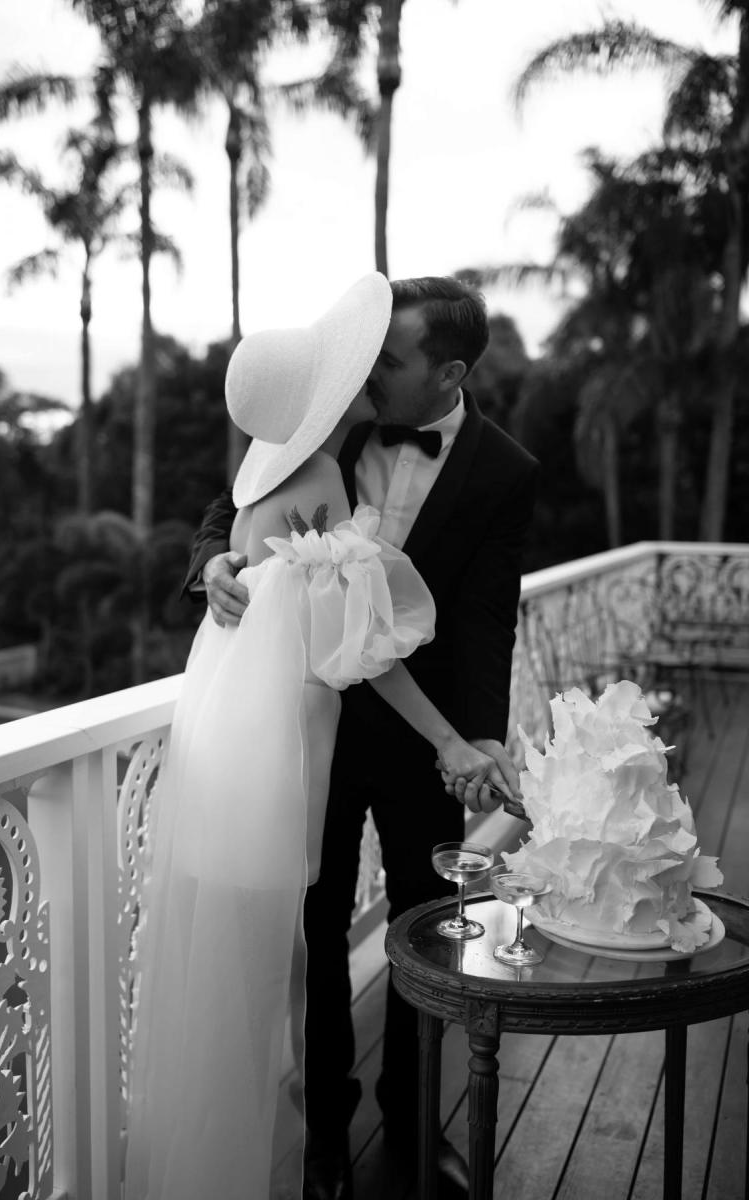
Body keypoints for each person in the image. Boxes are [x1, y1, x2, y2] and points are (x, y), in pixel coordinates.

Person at [125, 273, 517, 1200]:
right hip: (314, 734)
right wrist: (211, 562)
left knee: (428, 928)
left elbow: (489, 616)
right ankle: (323, 1144)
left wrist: (473, 742)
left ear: (450, 371)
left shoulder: (507, 471)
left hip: (415, 741)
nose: (372, 371)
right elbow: (230, 520)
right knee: (313, 931)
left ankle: (418, 1129)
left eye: (391, 358)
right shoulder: (311, 445)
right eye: (368, 358)